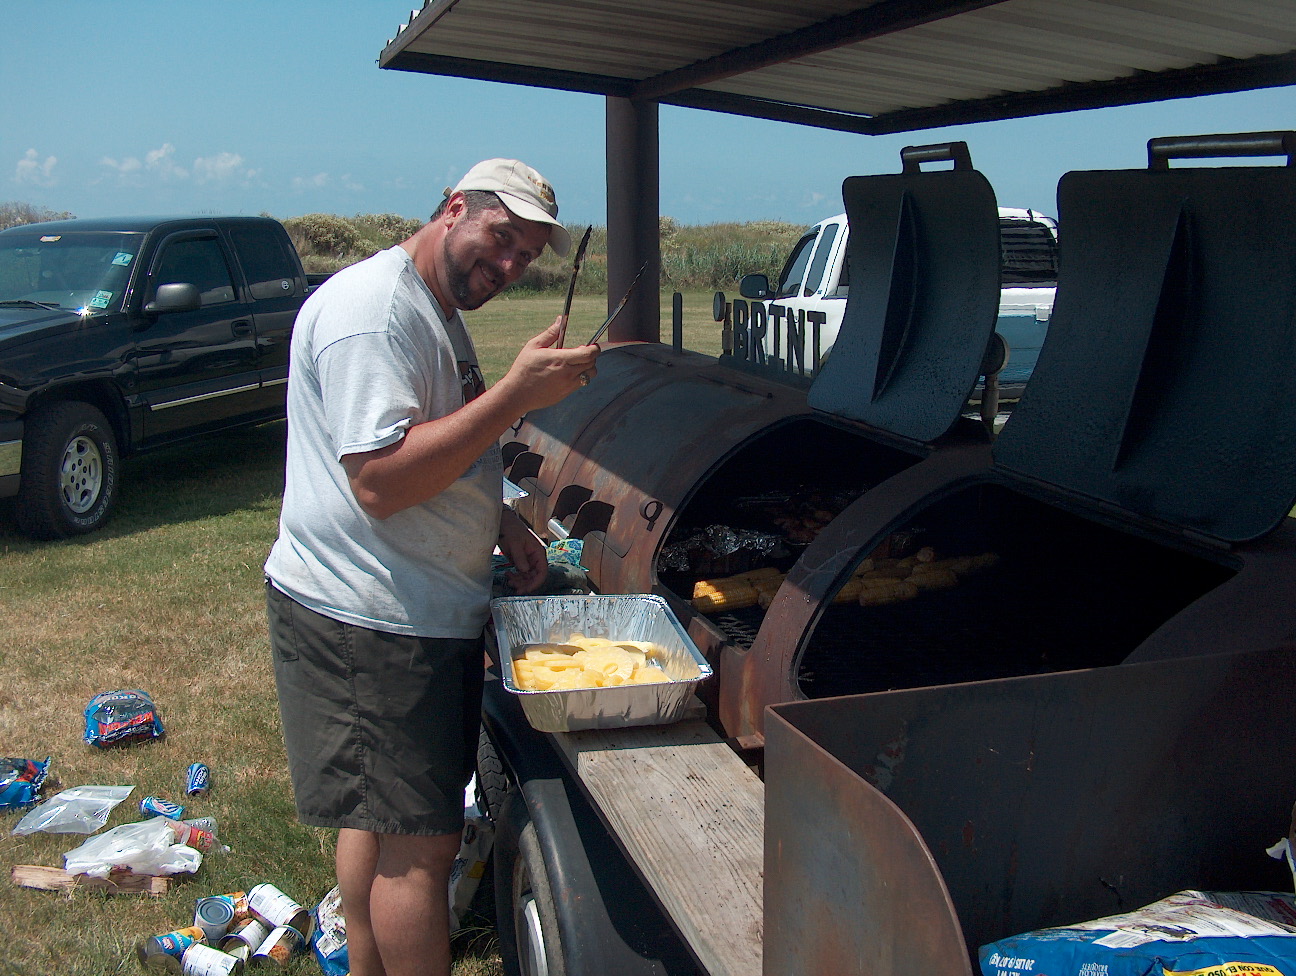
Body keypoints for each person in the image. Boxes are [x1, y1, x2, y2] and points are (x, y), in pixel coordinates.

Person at [263, 158, 599, 976]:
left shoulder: (429, 306)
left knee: (376, 820)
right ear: (455, 209)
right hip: (370, 617)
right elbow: (380, 479)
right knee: (420, 850)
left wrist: (501, 521)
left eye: (529, 255)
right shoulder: (374, 314)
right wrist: (516, 395)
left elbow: (434, 440)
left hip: (400, 606)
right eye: (502, 237)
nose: (512, 264)